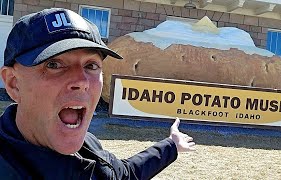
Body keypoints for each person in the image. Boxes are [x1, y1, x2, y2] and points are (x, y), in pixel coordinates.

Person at [0, 8, 195, 179]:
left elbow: (121, 175)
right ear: (14, 83)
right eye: (54, 65)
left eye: (91, 65)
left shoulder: (88, 146)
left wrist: (171, 146)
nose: (82, 81)